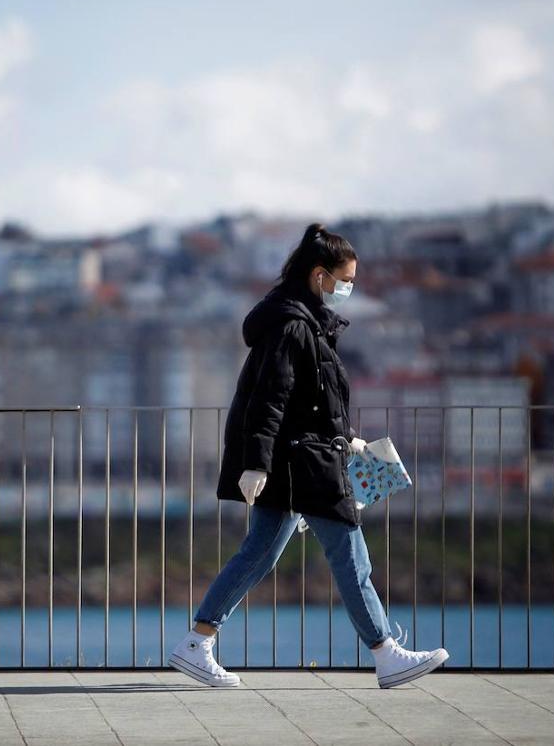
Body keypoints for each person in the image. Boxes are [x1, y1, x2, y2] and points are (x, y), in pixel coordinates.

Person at [167, 223, 449, 689]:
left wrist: (349, 438)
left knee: (258, 554)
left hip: (298, 458)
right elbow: (270, 397)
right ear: (320, 276)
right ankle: (386, 654)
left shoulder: (301, 321)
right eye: (345, 280)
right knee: (350, 553)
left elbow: (311, 400)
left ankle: (196, 643)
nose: (348, 289)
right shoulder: (294, 326)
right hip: (302, 464)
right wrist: (255, 463)